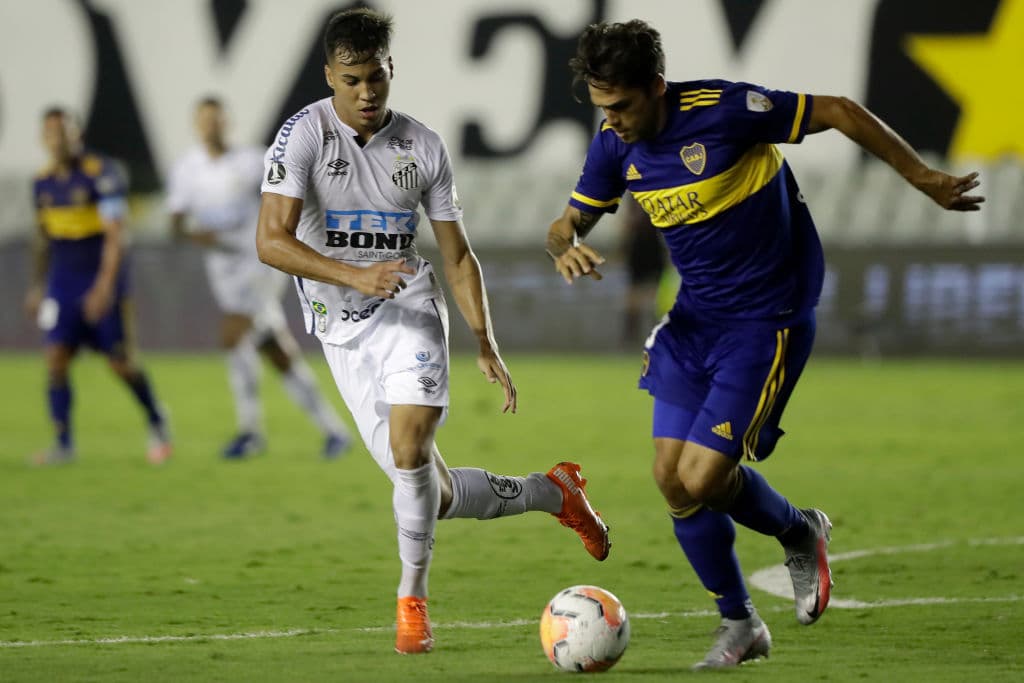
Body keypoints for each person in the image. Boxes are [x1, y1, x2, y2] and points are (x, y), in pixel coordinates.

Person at [545, 20, 983, 669]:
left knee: (703, 476)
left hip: (765, 323)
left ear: (656, 87)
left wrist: (921, 177)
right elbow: (567, 220)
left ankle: (798, 529)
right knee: (671, 479)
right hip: (694, 319)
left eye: (623, 106)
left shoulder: (726, 110)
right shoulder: (615, 143)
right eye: (602, 106)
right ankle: (741, 623)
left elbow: (836, 110)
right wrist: (564, 244)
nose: (612, 120)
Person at [255, 8, 611, 654]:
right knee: (430, 488)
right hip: (341, 330)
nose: (367, 93)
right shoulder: (300, 137)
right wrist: (350, 275)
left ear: (393, 70)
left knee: (411, 444)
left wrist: (483, 338)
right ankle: (550, 490)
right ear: (330, 75)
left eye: (378, 78)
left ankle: (411, 601)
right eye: (353, 80)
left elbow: (455, 254)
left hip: (409, 307)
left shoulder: (421, 146)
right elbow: (270, 241)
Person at [166, 96, 352, 460]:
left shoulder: (254, 162)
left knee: (233, 334)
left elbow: (287, 198)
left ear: (227, 122)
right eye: (204, 120)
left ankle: (250, 431)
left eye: (217, 119)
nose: (211, 126)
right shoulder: (187, 169)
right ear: (196, 125)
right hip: (222, 268)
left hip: (260, 260)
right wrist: (193, 234)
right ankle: (334, 431)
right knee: (276, 350)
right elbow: (174, 224)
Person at [24, 107, 173, 466]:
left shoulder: (100, 174)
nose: (58, 138)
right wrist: (36, 285)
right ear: (44, 138)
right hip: (63, 281)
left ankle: (156, 420)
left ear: (77, 135)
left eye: (65, 131)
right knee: (56, 359)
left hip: (103, 279)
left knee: (120, 363)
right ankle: (63, 444)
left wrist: (104, 287)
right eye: (52, 132)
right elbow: (43, 238)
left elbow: (115, 236)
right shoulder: (42, 182)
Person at [619, 193, 667, 346]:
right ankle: (635, 336)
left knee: (651, 294)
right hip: (642, 245)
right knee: (639, 293)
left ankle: (642, 334)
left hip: (649, 244)